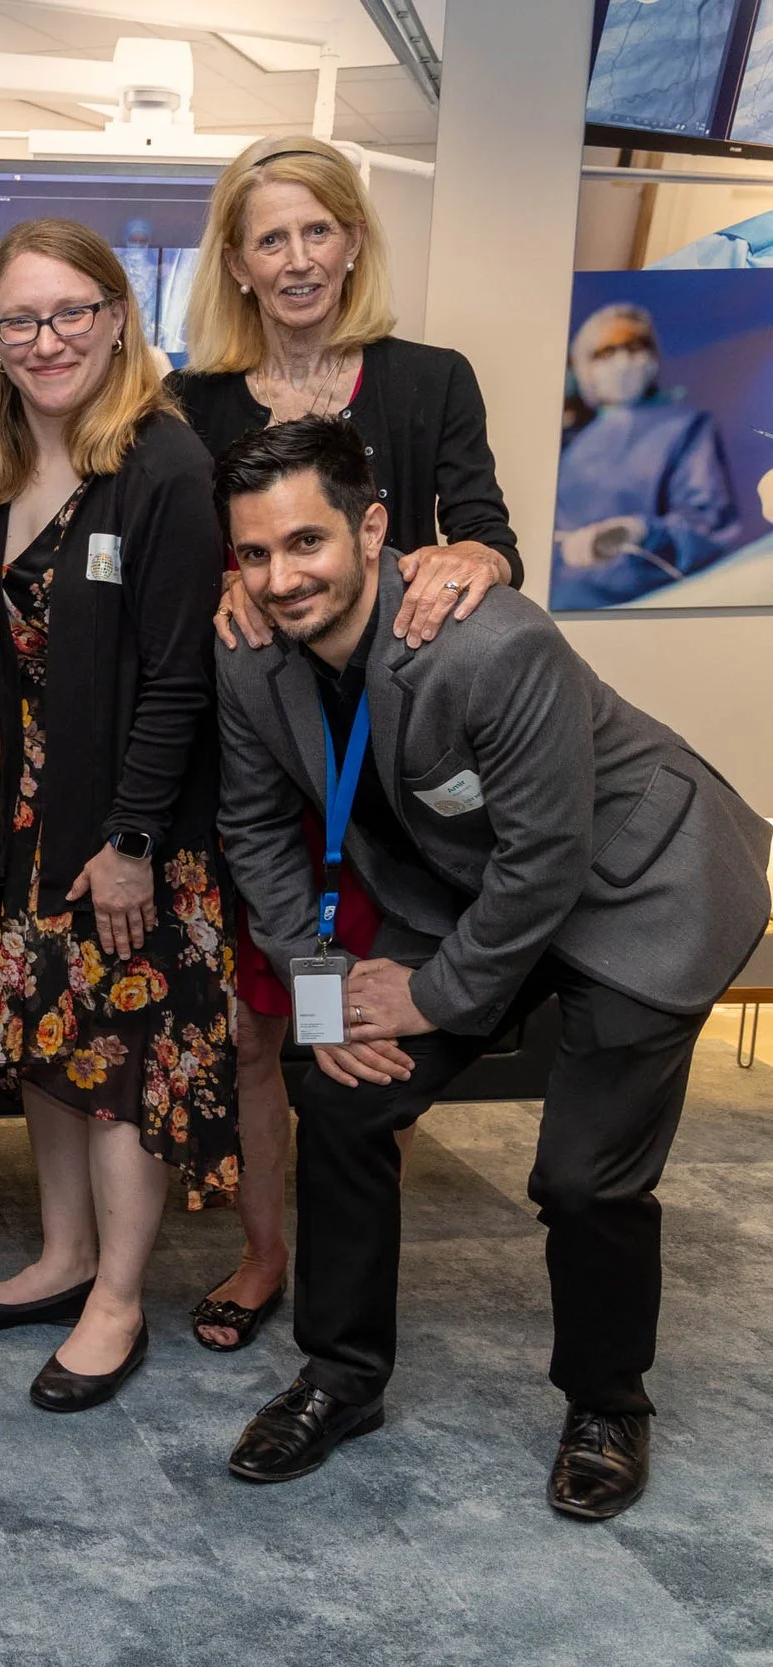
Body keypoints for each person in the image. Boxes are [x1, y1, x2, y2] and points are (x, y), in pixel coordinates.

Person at [211, 415, 770, 1519]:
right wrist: (327, 994)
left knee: (581, 1173)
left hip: (641, 885)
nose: (281, 578)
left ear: (373, 530)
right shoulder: (249, 657)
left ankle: (608, 1401)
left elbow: (547, 857)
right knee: (338, 1094)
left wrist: (423, 995)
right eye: (255, 553)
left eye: (307, 543)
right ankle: (339, 1374)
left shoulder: (485, 640)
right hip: (468, 887)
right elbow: (256, 833)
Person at [168, 134, 522, 1350]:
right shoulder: (196, 401)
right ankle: (269, 1253)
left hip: (393, 775)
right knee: (270, 1015)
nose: (298, 256)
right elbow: (185, 565)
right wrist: (218, 586)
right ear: (237, 260)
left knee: (367, 1017)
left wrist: (475, 553)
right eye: (271, 236)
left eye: (318, 229)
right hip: (264, 758)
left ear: (354, 240)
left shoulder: (428, 381)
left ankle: (345, 1254)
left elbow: (483, 536)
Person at [0, 217, 236, 1413]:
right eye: (20, 319)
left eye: (72, 311)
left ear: (119, 316)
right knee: (47, 1048)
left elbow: (179, 676)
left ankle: (117, 1294)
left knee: (122, 1063)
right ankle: (64, 1254)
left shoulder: (162, 464)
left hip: (134, 835)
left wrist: (130, 845)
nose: (47, 338)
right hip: (30, 813)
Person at [551, 301, 744, 610]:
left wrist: (639, 534)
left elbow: (708, 523)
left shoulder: (683, 427)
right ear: (585, 368)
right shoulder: (569, 447)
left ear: (653, 355)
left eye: (635, 345)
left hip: (652, 602)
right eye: (607, 351)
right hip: (565, 605)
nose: (624, 359)